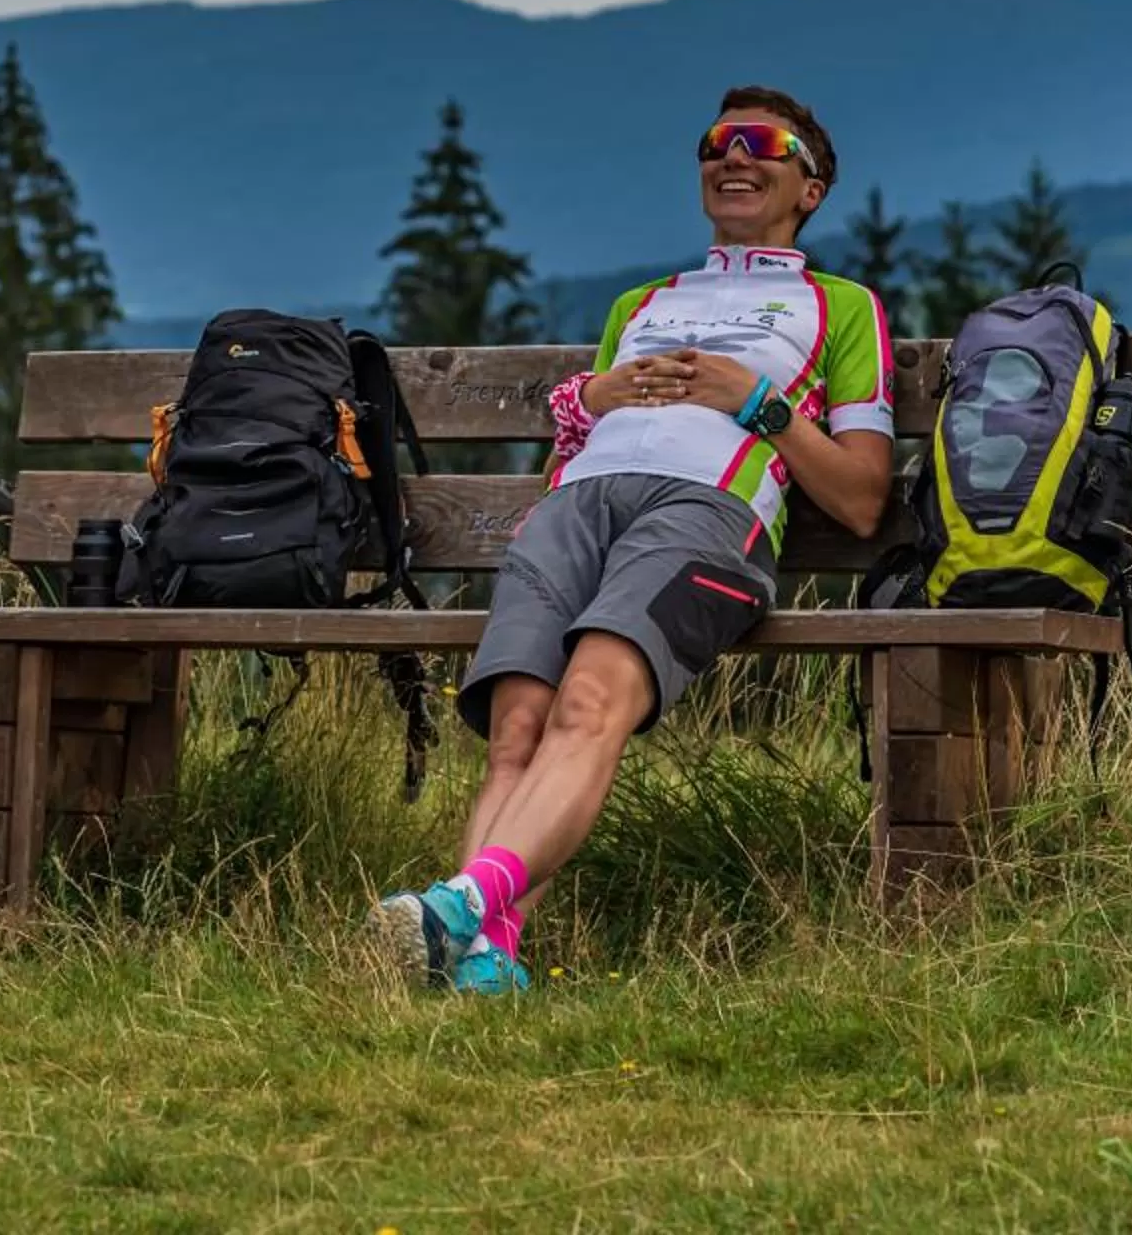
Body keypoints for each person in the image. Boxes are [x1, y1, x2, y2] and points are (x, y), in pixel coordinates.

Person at [373, 86, 894, 994]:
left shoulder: (841, 308)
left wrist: (756, 402)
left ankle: (461, 904)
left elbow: (859, 498)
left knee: (588, 706)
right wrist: (587, 401)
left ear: (810, 188)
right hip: (577, 508)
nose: (733, 156)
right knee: (516, 732)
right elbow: (569, 450)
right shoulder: (643, 304)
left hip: (708, 513)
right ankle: (486, 963)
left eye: (763, 144)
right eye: (714, 144)